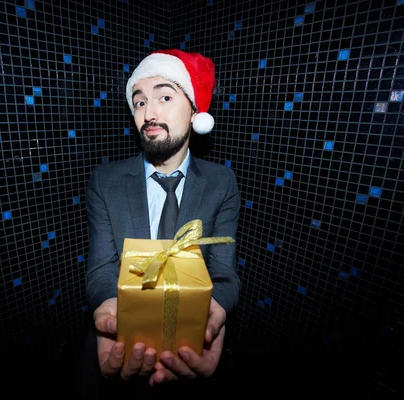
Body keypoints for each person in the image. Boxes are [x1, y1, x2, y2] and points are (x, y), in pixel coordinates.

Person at [79, 49, 241, 398]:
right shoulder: (105, 181)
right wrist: (111, 312)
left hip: (191, 341)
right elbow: (101, 268)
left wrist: (216, 313)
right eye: (139, 103)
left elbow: (225, 273)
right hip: (120, 342)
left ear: (196, 111)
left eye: (165, 97)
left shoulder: (221, 182)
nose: (148, 113)